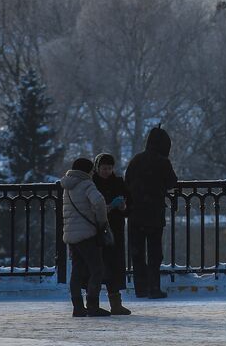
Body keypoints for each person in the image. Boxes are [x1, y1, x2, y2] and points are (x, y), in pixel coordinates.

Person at [123, 126, 177, 299]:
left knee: (137, 252)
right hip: (154, 212)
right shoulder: (163, 162)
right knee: (154, 252)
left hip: (135, 213)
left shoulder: (136, 160)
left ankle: (140, 288)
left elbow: (127, 181)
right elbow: (171, 182)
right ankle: (154, 288)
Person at [60, 156, 110, 318]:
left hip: (71, 235)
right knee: (97, 269)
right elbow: (99, 202)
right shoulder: (87, 183)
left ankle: (78, 307)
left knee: (76, 271)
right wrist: (102, 221)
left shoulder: (67, 186)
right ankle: (93, 306)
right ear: (88, 171)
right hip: (87, 233)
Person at [91, 152, 132, 315]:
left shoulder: (118, 183)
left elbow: (129, 205)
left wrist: (123, 207)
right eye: (104, 168)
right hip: (97, 229)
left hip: (114, 229)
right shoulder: (92, 184)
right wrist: (109, 207)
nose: (107, 171)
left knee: (113, 265)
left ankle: (115, 303)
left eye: (109, 168)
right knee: (97, 265)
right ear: (97, 168)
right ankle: (93, 302)